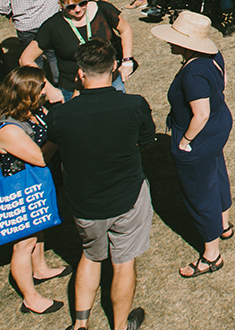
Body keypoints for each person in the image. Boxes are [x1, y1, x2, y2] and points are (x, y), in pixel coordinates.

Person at [43, 40, 155, 330]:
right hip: (128, 196)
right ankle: (119, 326)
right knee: (123, 262)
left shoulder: (60, 115)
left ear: (80, 74)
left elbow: (49, 152)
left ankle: (80, 325)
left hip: (85, 202)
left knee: (91, 256)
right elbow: (146, 140)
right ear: (115, 68)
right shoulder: (134, 104)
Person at [153, 11, 235, 277]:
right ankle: (224, 224)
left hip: (200, 136)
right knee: (217, 172)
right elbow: (223, 84)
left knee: (200, 193)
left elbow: (200, 114)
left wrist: (185, 142)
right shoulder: (214, 56)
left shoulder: (192, 75)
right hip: (219, 127)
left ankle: (211, 255)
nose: (170, 42)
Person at [0, 66, 69, 314]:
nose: (47, 89)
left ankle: (40, 268)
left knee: (39, 226)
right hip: (20, 191)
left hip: (37, 185)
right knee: (24, 243)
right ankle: (30, 298)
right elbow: (40, 158)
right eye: (42, 86)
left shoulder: (33, 111)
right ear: (28, 93)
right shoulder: (10, 129)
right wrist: (59, 133)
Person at [21, 0, 136, 102]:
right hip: (73, 88)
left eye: (83, 3)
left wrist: (127, 61)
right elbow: (26, 58)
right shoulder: (53, 26)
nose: (78, 10)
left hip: (111, 82)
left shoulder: (103, 9)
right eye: (71, 7)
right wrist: (49, 89)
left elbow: (125, 29)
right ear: (61, 4)